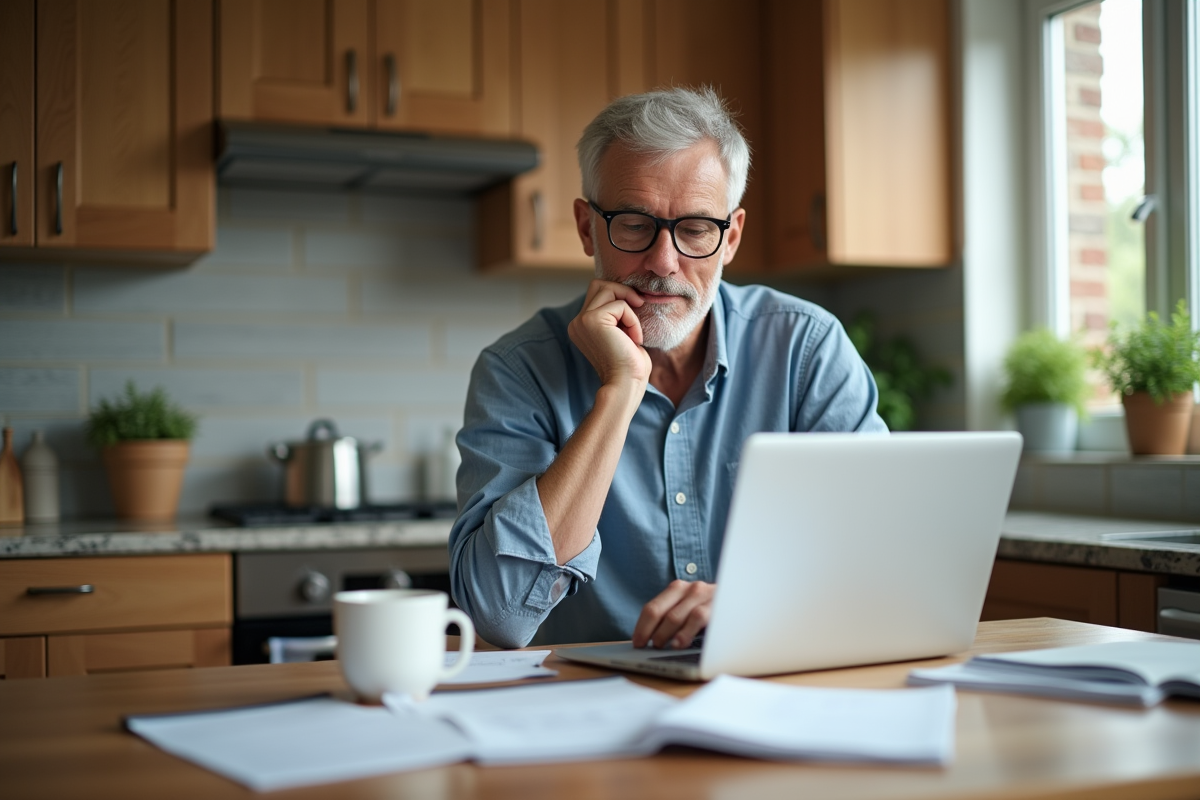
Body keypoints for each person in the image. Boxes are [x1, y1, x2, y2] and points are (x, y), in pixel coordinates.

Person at [449, 86, 887, 650]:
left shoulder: (807, 349)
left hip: (771, 684)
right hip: (586, 708)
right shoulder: (518, 371)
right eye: (633, 223)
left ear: (731, 237)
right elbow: (500, 615)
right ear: (587, 228)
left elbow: (879, 561)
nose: (663, 262)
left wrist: (753, 603)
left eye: (697, 229)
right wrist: (620, 391)